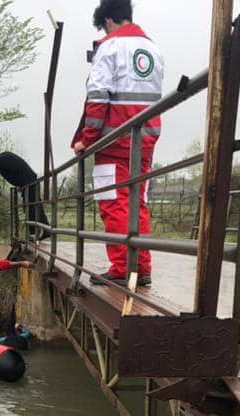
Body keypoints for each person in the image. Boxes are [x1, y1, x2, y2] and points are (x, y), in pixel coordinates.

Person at [72, 0, 163, 287]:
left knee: (114, 203)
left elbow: (98, 99)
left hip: (114, 141)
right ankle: (141, 267)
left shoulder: (109, 48)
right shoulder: (153, 49)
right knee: (137, 203)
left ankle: (124, 268)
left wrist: (87, 140)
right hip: (145, 138)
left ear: (108, 19)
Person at [0, 152, 50, 240]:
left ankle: (33, 234)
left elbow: (17, 170)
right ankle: (46, 229)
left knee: (31, 208)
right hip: (28, 182)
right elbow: (16, 173)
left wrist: (23, 184)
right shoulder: (1, 161)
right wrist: (20, 185)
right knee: (35, 206)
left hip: (29, 183)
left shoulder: (2, 160)